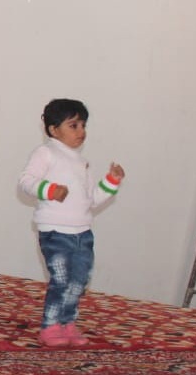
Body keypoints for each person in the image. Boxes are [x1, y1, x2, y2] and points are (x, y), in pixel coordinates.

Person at [18, 98, 125, 348]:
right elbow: (26, 181)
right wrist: (49, 189)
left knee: (79, 282)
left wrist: (111, 181)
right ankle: (50, 326)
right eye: (73, 125)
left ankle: (68, 323)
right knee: (61, 280)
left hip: (83, 233)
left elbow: (91, 200)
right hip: (55, 232)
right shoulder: (46, 152)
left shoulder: (81, 161)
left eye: (83, 125)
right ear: (54, 130)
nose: (81, 131)